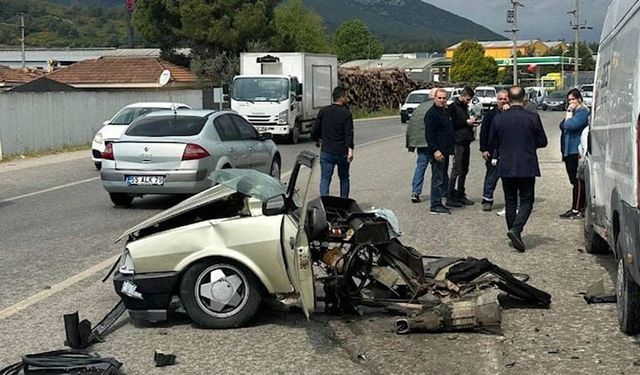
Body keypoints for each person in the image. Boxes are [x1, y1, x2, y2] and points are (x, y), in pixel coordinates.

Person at [489, 86, 548, 252]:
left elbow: (492, 141)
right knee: (527, 200)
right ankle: (516, 229)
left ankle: (512, 231)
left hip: (506, 163)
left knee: (510, 200)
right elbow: (543, 141)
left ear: (507, 98)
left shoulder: (499, 119)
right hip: (526, 163)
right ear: (524, 99)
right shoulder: (532, 117)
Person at [311, 86, 354, 198]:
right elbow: (349, 133)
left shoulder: (323, 111)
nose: (347, 99)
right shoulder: (346, 113)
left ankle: (325, 203)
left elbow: (315, 130)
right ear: (341, 97)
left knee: (325, 178)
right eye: (346, 96)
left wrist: (317, 139)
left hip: (326, 152)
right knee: (344, 178)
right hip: (342, 152)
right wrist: (350, 150)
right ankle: (344, 202)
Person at [559, 88, 589, 219]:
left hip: (575, 151)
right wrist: (568, 116)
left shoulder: (582, 112)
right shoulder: (574, 113)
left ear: (579, 99)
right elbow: (562, 124)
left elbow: (571, 126)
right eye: (569, 100)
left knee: (577, 181)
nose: (571, 102)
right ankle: (577, 207)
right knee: (573, 180)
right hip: (568, 151)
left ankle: (577, 208)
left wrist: (570, 112)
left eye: (573, 99)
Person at [425, 88, 455, 215]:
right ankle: (435, 204)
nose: (442, 100)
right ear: (435, 98)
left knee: (442, 177)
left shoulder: (444, 112)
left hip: (445, 150)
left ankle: (441, 201)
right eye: (439, 98)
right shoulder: (432, 114)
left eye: (444, 98)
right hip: (437, 152)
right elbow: (429, 135)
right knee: (437, 179)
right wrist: (435, 150)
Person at [446, 87, 477, 207]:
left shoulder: (465, 107)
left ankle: (460, 194)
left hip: (466, 140)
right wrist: (466, 122)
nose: (468, 102)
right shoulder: (453, 107)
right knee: (456, 170)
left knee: (464, 169)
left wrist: (472, 122)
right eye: (468, 99)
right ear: (463, 96)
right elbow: (451, 124)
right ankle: (450, 196)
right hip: (457, 141)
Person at [479, 89, 509, 211]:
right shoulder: (490, 115)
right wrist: (484, 149)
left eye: (505, 99)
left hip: (509, 150)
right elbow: (484, 133)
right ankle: (487, 199)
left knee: (510, 178)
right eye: (500, 99)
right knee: (491, 176)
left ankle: (511, 202)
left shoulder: (513, 113)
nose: (502, 101)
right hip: (493, 150)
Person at [406, 88, 437, 203]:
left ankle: (415, 191)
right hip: (433, 143)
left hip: (420, 143)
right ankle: (440, 191)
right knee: (438, 169)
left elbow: (411, 126)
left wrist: (410, 143)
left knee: (420, 167)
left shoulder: (419, 108)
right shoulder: (436, 108)